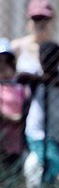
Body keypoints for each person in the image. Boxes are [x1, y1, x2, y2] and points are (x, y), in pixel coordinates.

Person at [22, 41, 59, 188]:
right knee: (57, 167)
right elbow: (21, 77)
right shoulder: (35, 73)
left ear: (58, 58)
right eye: (44, 58)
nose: (47, 62)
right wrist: (44, 80)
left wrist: (55, 81)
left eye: (51, 58)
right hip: (38, 132)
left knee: (48, 167)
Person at [11, 0, 56, 75]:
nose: (40, 23)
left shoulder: (58, 50)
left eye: (44, 18)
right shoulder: (17, 47)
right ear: (29, 22)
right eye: (36, 19)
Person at [0, 38, 27, 168]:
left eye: (5, 60)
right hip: (3, 133)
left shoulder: (18, 84)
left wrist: (22, 118)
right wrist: (12, 118)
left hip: (19, 136)